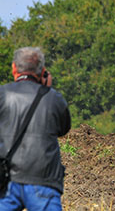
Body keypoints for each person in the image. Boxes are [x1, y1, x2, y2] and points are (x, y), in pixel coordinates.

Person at [0, 47, 71, 211]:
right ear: (43, 71)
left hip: (6, 179)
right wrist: (48, 88)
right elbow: (63, 129)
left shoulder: (2, 94)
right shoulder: (54, 98)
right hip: (43, 179)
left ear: (14, 68)